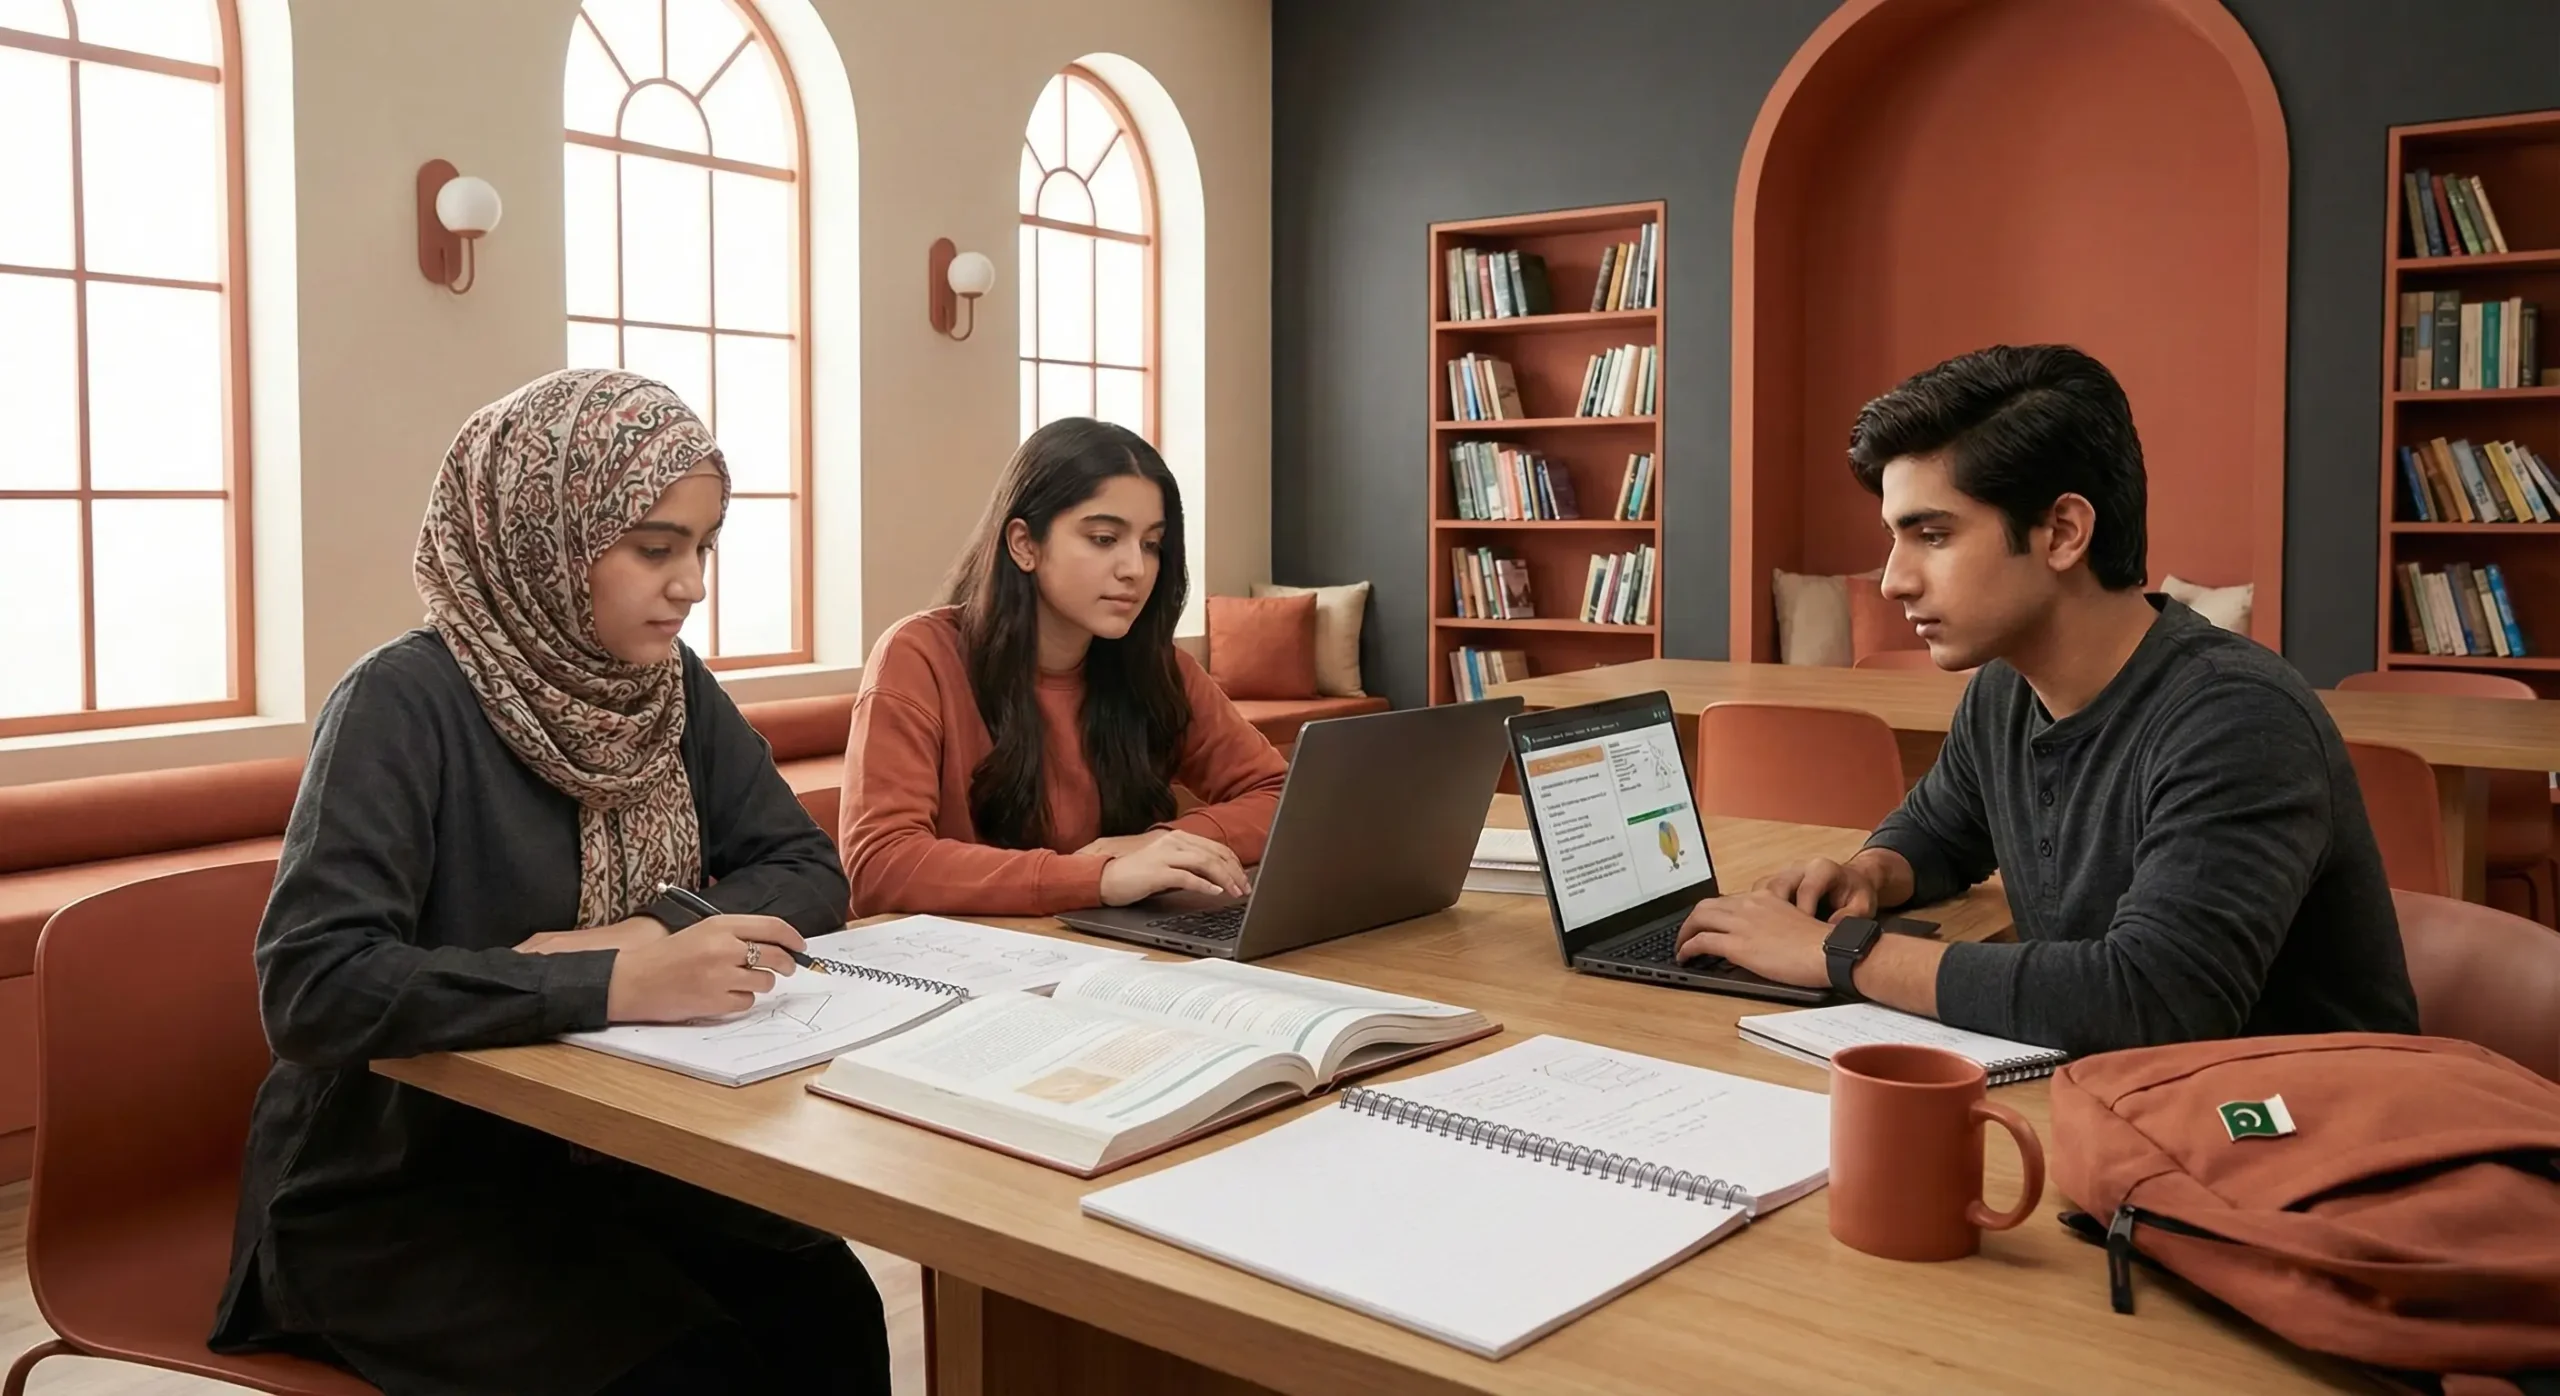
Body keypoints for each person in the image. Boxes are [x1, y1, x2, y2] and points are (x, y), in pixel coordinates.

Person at [212, 370, 891, 1395]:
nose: (692, 585)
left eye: (703, 548)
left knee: (828, 1308)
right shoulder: (401, 702)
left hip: (618, 1152)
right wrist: (609, 985)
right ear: (543, 539)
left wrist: (649, 932)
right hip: (399, 1191)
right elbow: (316, 986)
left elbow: (805, 868)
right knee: (689, 1374)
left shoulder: (668, 689)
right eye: (655, 548)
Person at [1675, 344, 2419, 1056]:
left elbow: (2155, 1001)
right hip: (2118, 1103)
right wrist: (1866, 875)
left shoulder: (2237, 717)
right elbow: (1938, 832)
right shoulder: (2006, 689)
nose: (1894, 580)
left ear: (2063, 532)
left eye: (1932, 535)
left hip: (2298, 1124)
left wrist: (1840, 952)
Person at [839, 417, 1288, 916]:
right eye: (1103, 538)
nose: (1135, 569)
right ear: (1024, 545)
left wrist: (1163, 843)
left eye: (1151, 544)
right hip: (974, 955)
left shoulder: (1157, 667)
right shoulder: (918, 655)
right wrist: (1099, 877)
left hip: (1119, 947)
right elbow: (881, 865)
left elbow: (1281, 795)